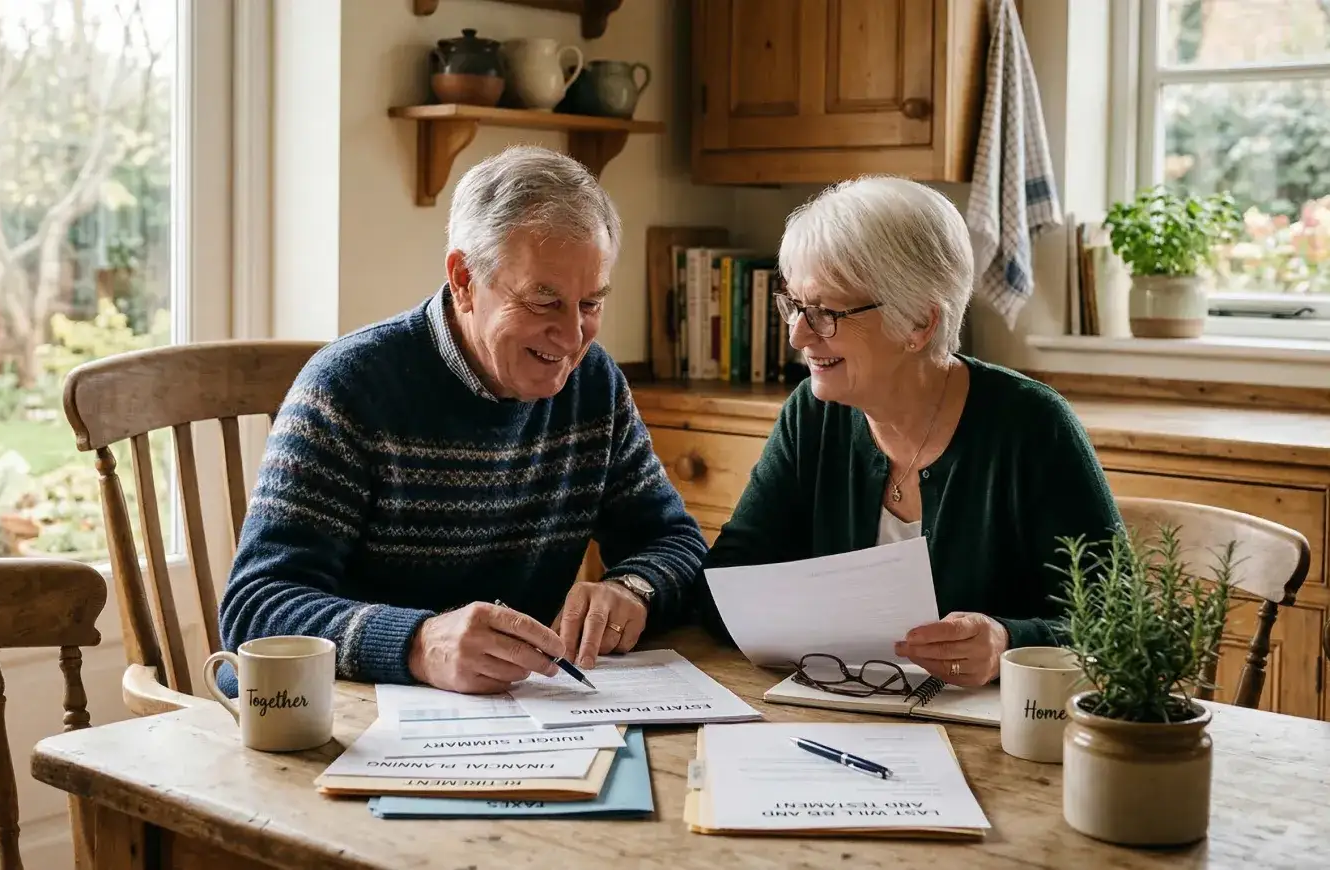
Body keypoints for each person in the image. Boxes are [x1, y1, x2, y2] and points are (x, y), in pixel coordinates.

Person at [218, 146, 706, 695]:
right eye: (543, 302)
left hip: (525, 715)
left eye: (590, 304)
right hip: (357, 720)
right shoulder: (348, 388)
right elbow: (255, 611)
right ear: (464, 279)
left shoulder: (594, 385)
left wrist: (633, 587)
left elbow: (675, 541)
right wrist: (418, 644)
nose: (572, 339)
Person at [699, 176, 1122, 688]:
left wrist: (1007, 641)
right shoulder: (811, 417)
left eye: (827, 313)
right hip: (830, 721)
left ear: (919, 323)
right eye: (795, 306)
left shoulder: (1033, 428)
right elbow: (727, 581)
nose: (798, 335)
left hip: (992, 741)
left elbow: (1114, 624)